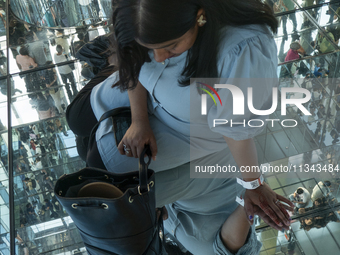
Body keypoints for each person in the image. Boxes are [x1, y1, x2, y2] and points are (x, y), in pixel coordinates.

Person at [67, 1, 294, 254]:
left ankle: (108, 65)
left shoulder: (241, 50)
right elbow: (136, 62)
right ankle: (109, 61)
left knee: (98, 163)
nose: (160, 57)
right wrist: (139, 118)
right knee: (75, 119)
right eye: (150, 48)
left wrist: (253, 185)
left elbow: (235, 129)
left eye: (170, 47)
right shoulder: (144, 20)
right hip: (151, 96)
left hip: (185, 128)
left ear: (200, 17)